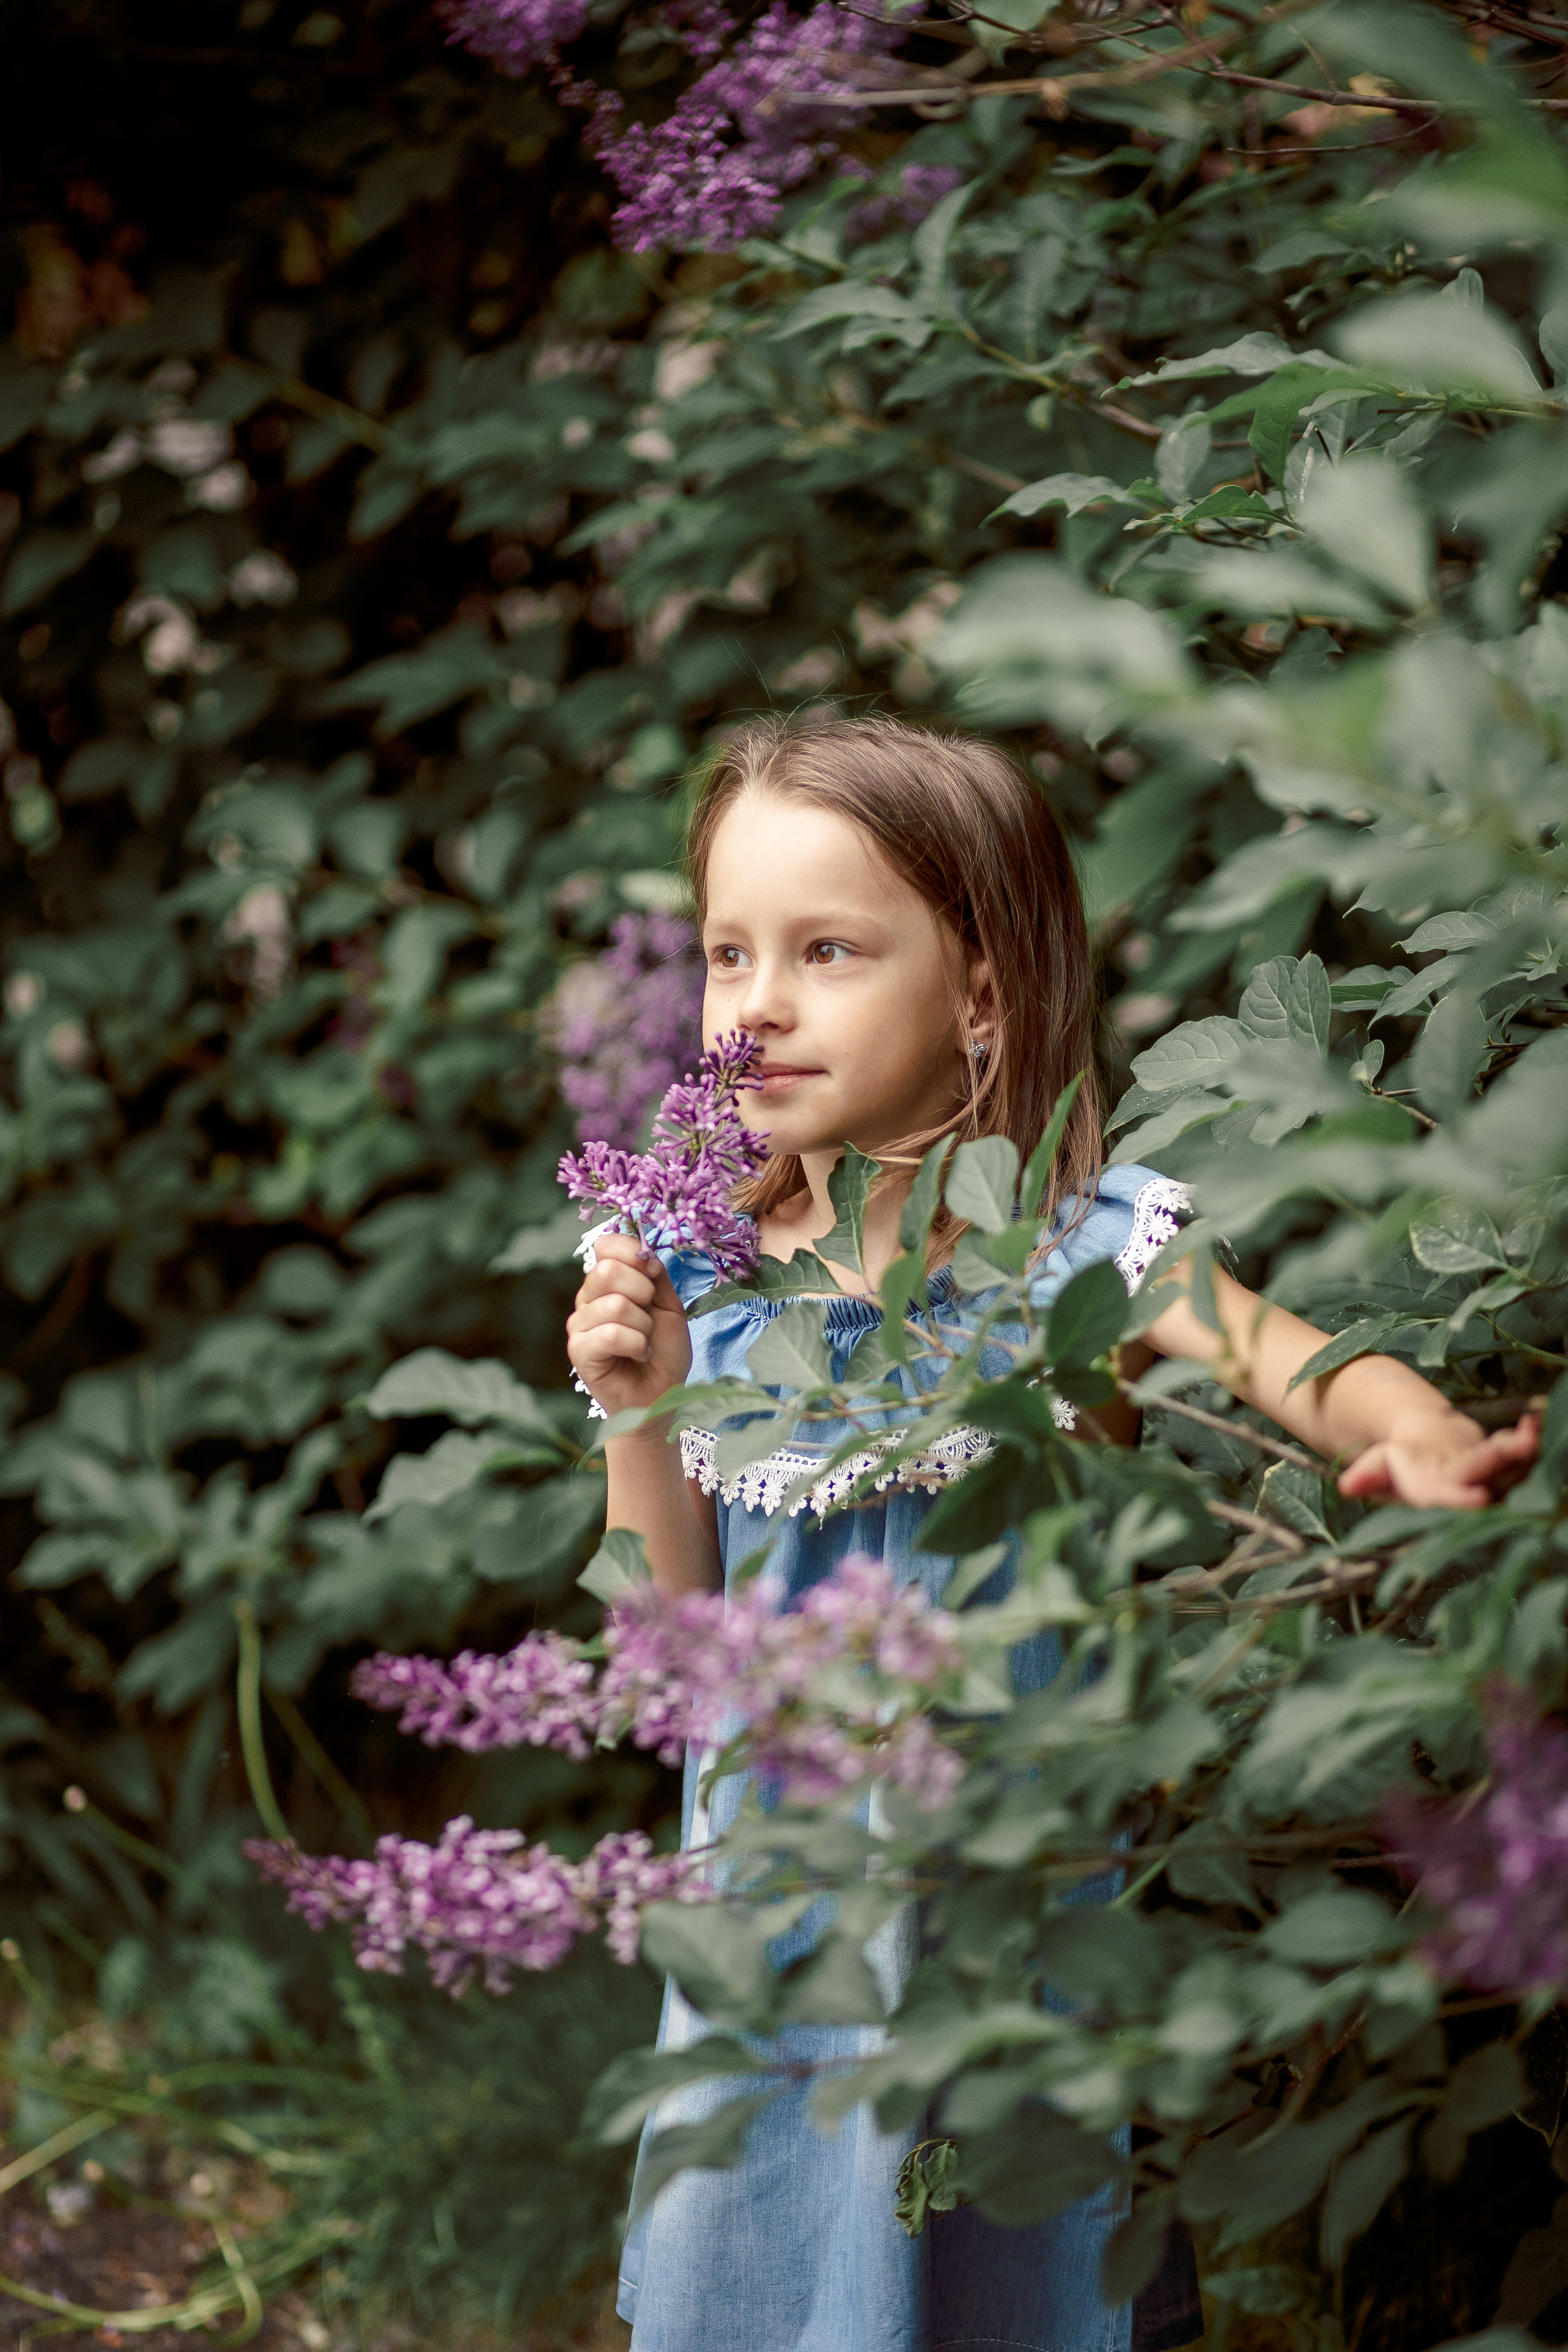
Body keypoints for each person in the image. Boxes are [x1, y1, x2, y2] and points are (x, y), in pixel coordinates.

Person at [566, 714, 1540, 2352]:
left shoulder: (1077, 1254)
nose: (759, 1006)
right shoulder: (695, 1272)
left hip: (1011, 1906)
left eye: (826, 950)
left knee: (1017, 2254)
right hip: (779, 1925)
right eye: (730, 955)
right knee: (765, 2269)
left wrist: (1419, 1434)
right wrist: (642, 1410)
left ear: (982, 999)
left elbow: (1288, 1361)